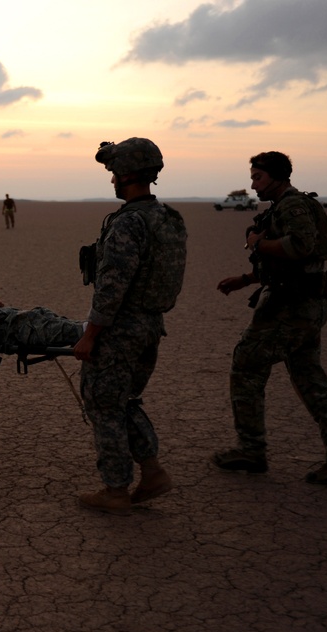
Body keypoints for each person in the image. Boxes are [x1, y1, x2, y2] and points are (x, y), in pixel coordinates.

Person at [213, 151, 327, 483]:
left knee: (247, 364)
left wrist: (258, 243)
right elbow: (290, 264)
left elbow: (301, 246)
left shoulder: (293, 207)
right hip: (302, 304)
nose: (253, 185)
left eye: (258, 177)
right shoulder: (283, 208)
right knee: (310, 379)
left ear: (279, 176)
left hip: (290, 307)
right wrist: (246, 279)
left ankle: (251, 449)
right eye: (252, 177)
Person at [73, 138, 187, 515]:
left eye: (114, 174)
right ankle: (152, 472)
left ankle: (115, 490)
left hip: (121, 329)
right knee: (126, 401)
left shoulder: (129, 223)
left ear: (127, 174)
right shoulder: (167, 218)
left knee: (103, 404)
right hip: (152, 325)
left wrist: (91, 335)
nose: (112, 181)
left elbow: (111, 287)